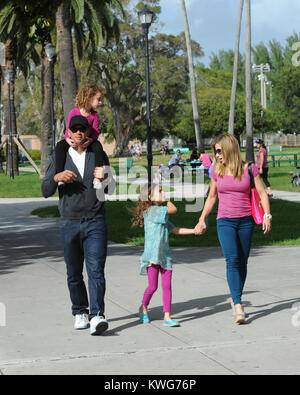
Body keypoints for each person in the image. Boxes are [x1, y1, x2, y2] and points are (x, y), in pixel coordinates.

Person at [42, 115, 114, 336]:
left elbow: (110, 191)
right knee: (74, 272)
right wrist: (57, 177)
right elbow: (46, 190)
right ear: (69, 132)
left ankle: (97, 315)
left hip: (95, 221)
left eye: (83, 129)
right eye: (75, 129)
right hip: (69, 222)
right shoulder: (61, 154)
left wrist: (106, 178)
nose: (79, 132)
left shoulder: (97, 152)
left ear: (88, 131)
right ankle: (79, 311)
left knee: (95, 270)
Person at [195, 133, 271, 324]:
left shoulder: (249, 169)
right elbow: (212, 197)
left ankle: (236, 295)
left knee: (243, 261)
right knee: (232, 259)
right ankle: (238, 304)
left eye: (219, 151)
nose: (217, 155)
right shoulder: (216, 171)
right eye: (215, 152)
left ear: (229, 148)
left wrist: (267, 215)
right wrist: (202, 219)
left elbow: (262, 193)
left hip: (246, 221)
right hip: (225, 222)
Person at [132, 184, 196, 327]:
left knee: (167, 286)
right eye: (160, 191)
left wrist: (194, 231)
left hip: (165, 257)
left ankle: (167, 317)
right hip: (152, 256)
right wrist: (165, 200)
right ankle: (143, 308)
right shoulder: (152, 211)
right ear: (150, 197)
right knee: (152, 287)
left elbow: (175, 230)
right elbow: (174, 209)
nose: (164, 193)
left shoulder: (161, 215)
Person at [55, 85, 105, 189]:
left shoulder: (94, 115)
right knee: (60, 146)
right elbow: (68, 128)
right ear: (89, 97)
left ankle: (97, 178)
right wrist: (68, 139)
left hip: (88, 140)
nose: (100, 103)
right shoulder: (74, 111)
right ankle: (60, 175)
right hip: (73, 139)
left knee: (98, 147)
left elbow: (96, 132)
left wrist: (91, 140)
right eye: (98, 99)